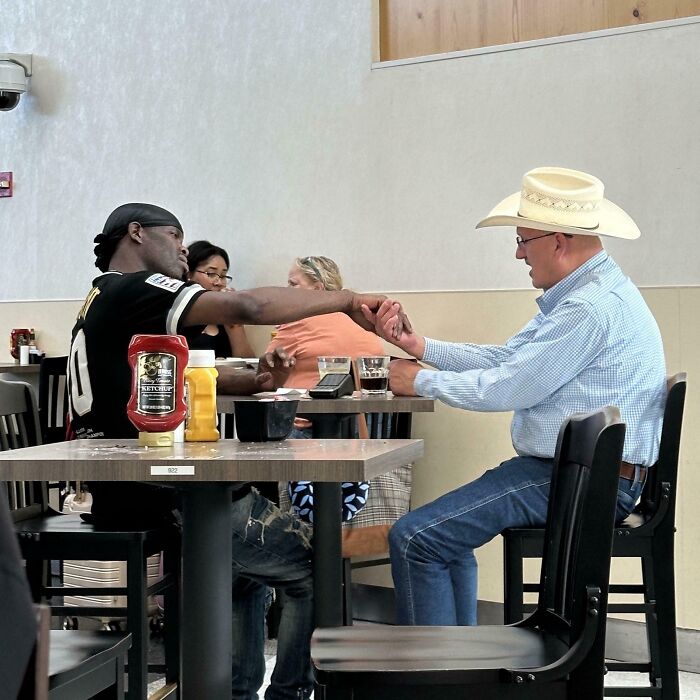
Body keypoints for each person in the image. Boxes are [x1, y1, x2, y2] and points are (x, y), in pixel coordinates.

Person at [67, 202, 406, 700]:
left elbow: (196, 374)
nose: (184, 248)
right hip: (160, 486)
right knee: (321, 563)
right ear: (136, 234)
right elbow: (248, 307)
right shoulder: (134, 287)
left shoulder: (103, 299)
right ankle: (289, 694)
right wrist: (346, 298)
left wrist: (263, 376)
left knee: (245, 570)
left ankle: (237, 693)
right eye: (175, 235)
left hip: (124, 481)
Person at [366, 167, 666, 627]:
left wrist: (418, 382)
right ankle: (455, 667)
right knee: (438, 539)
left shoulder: (588, 308)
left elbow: (509, 386)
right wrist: (420, 347)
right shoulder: (589, 294)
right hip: (575, 471)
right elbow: (510, 358)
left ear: (558, 242)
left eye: (524, 240)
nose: (518, 253)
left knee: (415, 538)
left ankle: (435, 679)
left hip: (581, 479)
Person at [266, 256, 385, 524]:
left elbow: (268, 373)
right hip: (358, 437)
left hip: (302, 434)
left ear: (317, 290)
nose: (286, 291)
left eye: (292, 284)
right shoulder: (363, 324)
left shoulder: (296, 323)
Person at [184, 239, 255, 358]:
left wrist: (235, 325)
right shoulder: (176, 315)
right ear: (188, 275)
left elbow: (248, 365)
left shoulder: (225, 317)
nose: (219, 282)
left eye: (223, 276)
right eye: (211, 274)